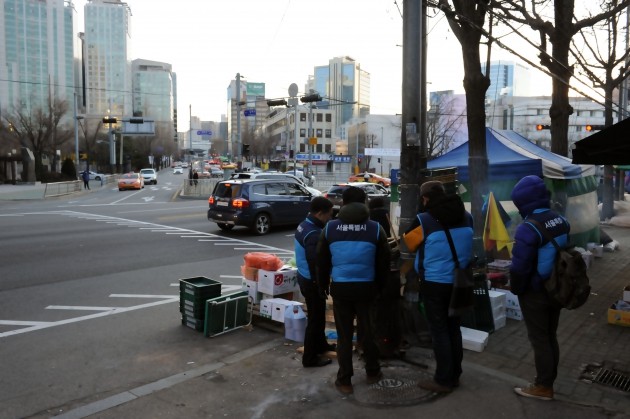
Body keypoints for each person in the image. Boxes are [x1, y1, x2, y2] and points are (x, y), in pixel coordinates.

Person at [317, 186, 391, 395]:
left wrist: (322, 286)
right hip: (367, 288)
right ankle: (373, 372)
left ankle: (345, 381)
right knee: (368, 333)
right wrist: (380, 288)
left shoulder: (330, 228)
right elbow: (384, 263)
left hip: (341, 288)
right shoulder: (376, 229)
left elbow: (322, 262)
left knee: (344, 336)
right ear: (364, 202)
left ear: (344, 203)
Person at [405, 180, 473, 394]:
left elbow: (408, 243)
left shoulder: (424, 220)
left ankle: (443, 380)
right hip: (460, 282)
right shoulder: (467, 217)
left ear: (425, 199)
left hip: (435, 283)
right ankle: (455, 375)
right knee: (454, 328)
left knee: (439, 330)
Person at [510, 175, 570, 401]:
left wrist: (517, 289)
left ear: (523, 202)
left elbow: (520, 267)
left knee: (539, 339)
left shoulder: (528, 228)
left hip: (536, 291)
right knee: (550, 335)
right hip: (557, 287)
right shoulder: (560, 219)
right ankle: (549, 380)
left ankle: (543, 386)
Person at [294, 196, 336, 368]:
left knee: (317, 317)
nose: (330, 218)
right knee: (315, 320)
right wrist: (321, 284)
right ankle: (310, 358)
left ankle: (321, 345)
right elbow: (315, 263)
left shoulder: (305, 224)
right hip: (311, 281)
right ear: (320, 213)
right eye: (329, 214)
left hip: (304, 277)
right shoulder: (313, 233)